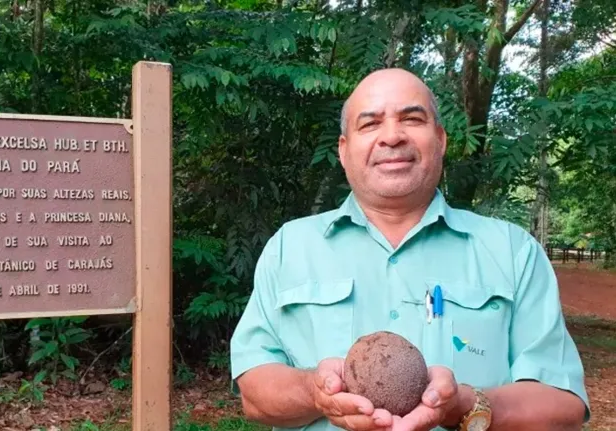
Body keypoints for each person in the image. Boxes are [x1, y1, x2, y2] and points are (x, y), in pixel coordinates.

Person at [228, 68, 590, 431]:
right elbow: (255, 393)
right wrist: (315, 392)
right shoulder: (289, 247)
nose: (392, 136)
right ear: (343, 149)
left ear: (441, 139)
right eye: (370, 124)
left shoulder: (513, 252)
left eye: (411, 119)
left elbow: (562, 407)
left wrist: (464, 406)